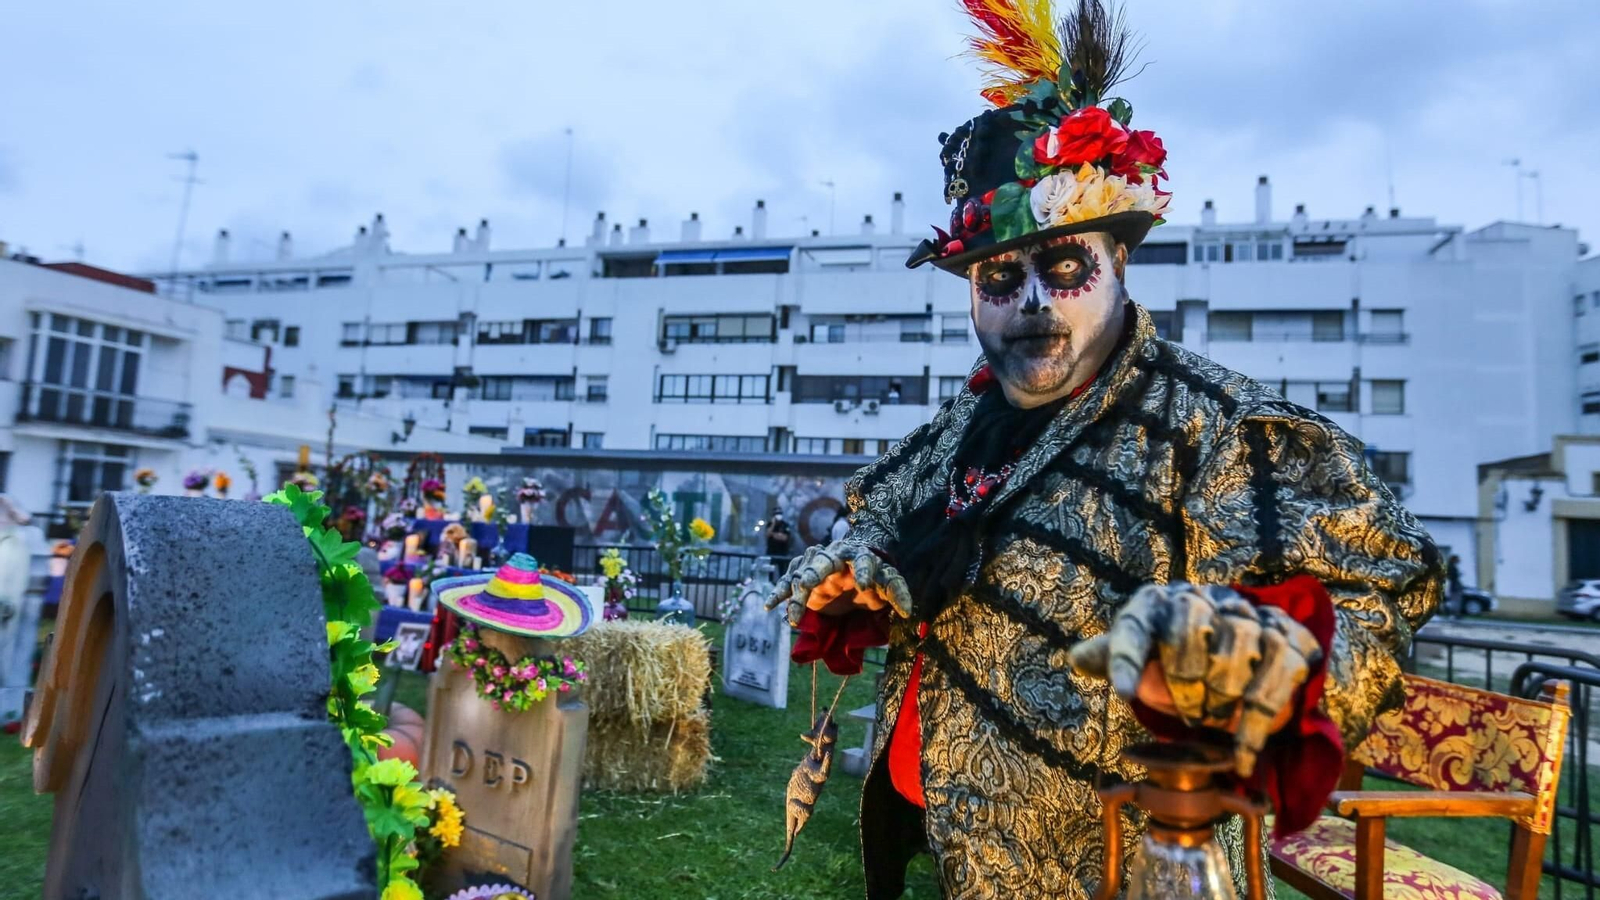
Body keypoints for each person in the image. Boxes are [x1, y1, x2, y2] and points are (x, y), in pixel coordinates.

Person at [767, 3, 1442, 897]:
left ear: (1119, 265)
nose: (1034, 303)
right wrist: (855, 573)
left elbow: (1374, 598)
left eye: (1067, 269)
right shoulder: (964, 423)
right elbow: (883, 526)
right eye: (1002, 280)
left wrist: (1262, 663)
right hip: (947, 846)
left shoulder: (1222, 433)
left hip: (1122, 870)